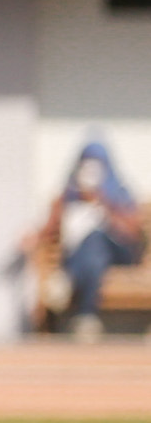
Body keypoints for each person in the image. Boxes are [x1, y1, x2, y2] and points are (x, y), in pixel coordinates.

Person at [36, 141, 143, 335]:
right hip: (86, 257)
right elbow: (49, 229)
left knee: (96, 238)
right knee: (94, 256)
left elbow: (131, 234)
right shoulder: (68, 196)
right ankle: (87, 317)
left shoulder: (119, 193)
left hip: (118, 252)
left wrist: (103, 205)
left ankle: (68, 279)